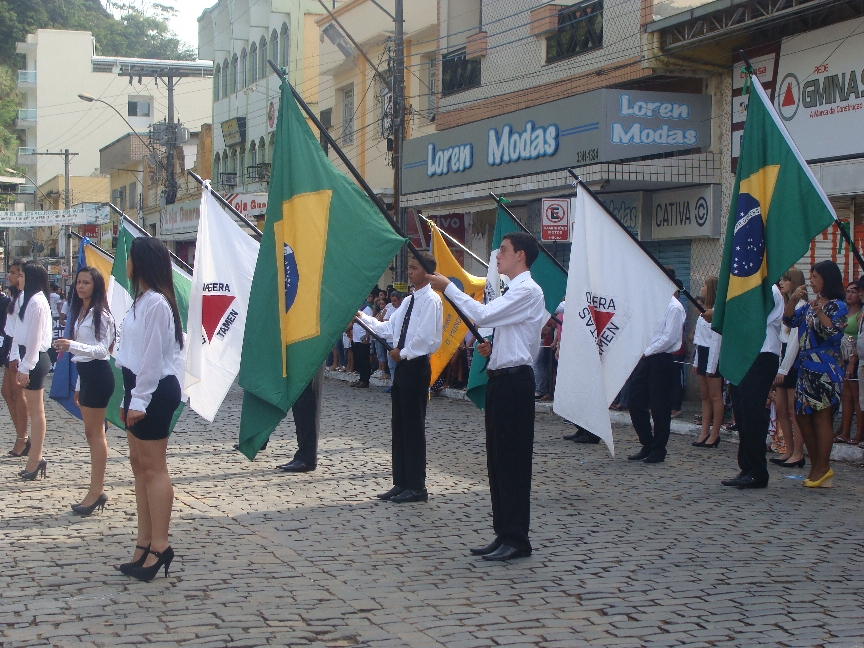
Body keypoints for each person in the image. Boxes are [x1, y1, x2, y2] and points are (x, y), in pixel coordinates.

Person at [429, 232, 546, 561]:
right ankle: (503, 532)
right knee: (497, 460)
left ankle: (517, 538)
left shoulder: (528, 290)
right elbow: (514, 337)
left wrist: (448, 286)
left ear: (520, 255)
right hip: (500, 378)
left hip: (515, 383)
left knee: (512, 461)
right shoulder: (515, 291)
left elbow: (481, 316)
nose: (497, 257)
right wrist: (492, 348)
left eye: (504, 251)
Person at [115, 237, 184, 581]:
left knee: (154, 468)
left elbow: (154, 357)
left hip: (153, 389)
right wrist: (129, 398)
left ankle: (160, 544)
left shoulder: (157, 302)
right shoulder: (141, 300)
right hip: (137, 387)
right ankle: (143, 543)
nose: (126, 262)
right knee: (139, 466)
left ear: (140, 262)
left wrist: (139, 400)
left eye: (129, 257)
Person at [360, 252, 443, 503]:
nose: (409, 271)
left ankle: (417, 486)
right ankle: (401, 481)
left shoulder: (431, 300)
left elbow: (426, 338)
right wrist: (361, 317)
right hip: (403, 364)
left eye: (415, 267)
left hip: (416, 365)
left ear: (427, 272)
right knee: (399, 424)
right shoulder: (408, 302)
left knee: (413, 426)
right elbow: (388, 328)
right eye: (409, 267)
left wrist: (403, 353)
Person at [53, 266, 116, 515]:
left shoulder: (101, 314)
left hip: (99, 376)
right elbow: (83, 354)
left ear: (96, 286)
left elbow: (102, 350)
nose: (80, 286)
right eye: (78, 282)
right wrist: (78, 385)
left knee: (96, 435)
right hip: (87, 376)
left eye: (86, 283)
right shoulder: (82, 312)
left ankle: (96, 489)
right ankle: (95, 489)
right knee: (92, 434)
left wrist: (71, 345)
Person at [781, 260, 847, 489]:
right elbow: (790, 320)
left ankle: (823, 466)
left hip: (825, 367)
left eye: (816, 277)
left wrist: (820, 313)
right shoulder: (810, 304)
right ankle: (816, 462)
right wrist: (792, 299)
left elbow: (833, 332)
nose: (812, 281)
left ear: (827, 279)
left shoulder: (837, 305)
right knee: (802, 415)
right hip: (806, 365)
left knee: (821, 416)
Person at [628, 272, 685, 464]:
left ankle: (659, 448)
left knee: (660, 406)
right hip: (645, 358)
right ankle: (647, 442)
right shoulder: (650, 304)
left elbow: (669, 337)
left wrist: (647, 351)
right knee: (635, 400)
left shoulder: (674, 307)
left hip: (660, 358)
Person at [13, 261, 53, 481]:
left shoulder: (37, 302)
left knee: (36, 412)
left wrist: (26, 366)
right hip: (28, 356)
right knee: (34, 410)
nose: (19, 279)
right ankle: (35, 458)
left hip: (35, 358)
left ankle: (36, 457)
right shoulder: (26, 300)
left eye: (22, 276)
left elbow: (35, 339)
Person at [772, 268, 808, 468]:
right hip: (782, 359)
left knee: (794, 410)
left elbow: (794, 342)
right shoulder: (784, 306)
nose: (782, 283)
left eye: (786, 280)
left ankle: (798, 452)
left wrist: (783, 369)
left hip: (792, 362)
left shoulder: (801, 307)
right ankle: (788, 448)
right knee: (781, 408)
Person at [692, 276, 723, 449]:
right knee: (705, 396)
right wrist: (697, 361)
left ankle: (715, 433)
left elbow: (716, 340)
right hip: (702, 352)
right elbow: (699, 338)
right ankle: (704, 431)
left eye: (704, 285)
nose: (701, 288)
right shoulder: (704, 310)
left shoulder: (716, 312)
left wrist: (711, 365)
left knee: (715, 395)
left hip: (714, 354)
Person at [275, 366, 324, 473]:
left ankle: (307, 458)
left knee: (306, 406)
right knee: (299, 406)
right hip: (300, 360)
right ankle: (302, 455)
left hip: (310, 360)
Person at [3, 261, 29, 458]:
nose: (10, 276)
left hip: (18, 350)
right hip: (10, 347)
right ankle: (21, 435)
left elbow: (20, 330)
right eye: (10, 273)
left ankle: (23, 438)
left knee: (18, 394)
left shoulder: (25, 298)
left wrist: (16, 355)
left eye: (15, 273)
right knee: (6, 392)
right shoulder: (14, 297)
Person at [835, 281, 862, 444]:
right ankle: (844, 430)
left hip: (855, 357)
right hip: (842, 356)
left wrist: (853, 359)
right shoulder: (844, 310)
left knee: (856, 396)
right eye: (848, 291)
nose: (850, 294)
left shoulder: (860, 313)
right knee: (845, 396)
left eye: (854, 291)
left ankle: (858, 432)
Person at [351, 293, 374, 388]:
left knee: (364, 360)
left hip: (363, 338)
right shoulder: (357, 311)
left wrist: (367, 337)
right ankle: (361, 378)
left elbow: (369, 325)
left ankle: (365, 380)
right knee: (359, 359)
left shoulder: (367, 310)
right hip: (356, 338)